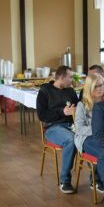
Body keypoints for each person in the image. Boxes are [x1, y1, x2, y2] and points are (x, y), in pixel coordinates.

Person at [36, 65, 79, 193]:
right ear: (62, 77)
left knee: (90, 137)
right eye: (70, 77)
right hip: (53, 127)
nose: (72, 80)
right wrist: (62, 112)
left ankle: (96, 179)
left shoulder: (70, 91)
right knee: (71, 140)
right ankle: (65, 181)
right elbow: (42, 115)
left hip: (71, 126)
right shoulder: (45, 91)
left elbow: (78, 108)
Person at [74, 72, 104, 192]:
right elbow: (79, 129)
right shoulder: (82, 105)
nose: (100, 88)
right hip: (86, 138)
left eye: (101, 84)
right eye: (96, 86)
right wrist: (98, 128)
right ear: (89, 88)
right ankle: (99, 180)